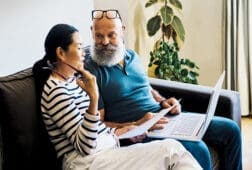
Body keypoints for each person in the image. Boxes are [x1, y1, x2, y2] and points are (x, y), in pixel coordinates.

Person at [85, 9, 242, 170]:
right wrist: (137, 124)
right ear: (92, 32)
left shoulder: (132, 56)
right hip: (142, 131)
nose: (104, 42)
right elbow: (99, 125)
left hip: (164, 117)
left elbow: (146, 87)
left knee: (231, 130)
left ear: (122, 31)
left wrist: (163, 101)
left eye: (111, 35)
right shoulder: (90, 69)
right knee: (198, 148)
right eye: (99, 36)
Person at [32, 24, 201, 170]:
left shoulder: (72, 82)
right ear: (61, 53)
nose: (84, 52)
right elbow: (85, 145)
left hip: (103, 154)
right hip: (85, 163)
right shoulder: (56, 92)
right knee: (171, 150)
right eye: (78, 47)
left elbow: (95, 130)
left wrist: (126, 130)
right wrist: (94, 97)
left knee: (172, 154)